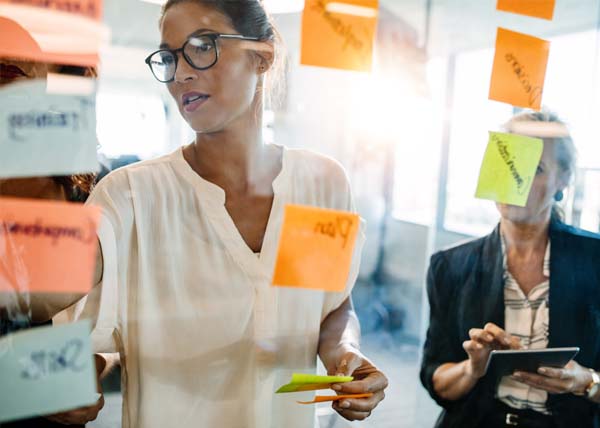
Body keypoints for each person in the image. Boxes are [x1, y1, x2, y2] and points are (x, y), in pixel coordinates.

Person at [56, 1, 388, 427]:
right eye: (170, 57)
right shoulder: (131, 197)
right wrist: (76, 377)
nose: (180, 74)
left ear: (262, 56)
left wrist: (347, 357)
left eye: (201, 46)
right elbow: (78, 330)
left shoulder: (320, 185)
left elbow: (330, 307)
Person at [420, 112, 600, 428]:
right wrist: (472, 368)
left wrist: (584, 380)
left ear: (564, 180)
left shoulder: (595, 259)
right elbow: (436, 379)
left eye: (537, 167)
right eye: (508, 162)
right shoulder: (448, 267)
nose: (518, 178)